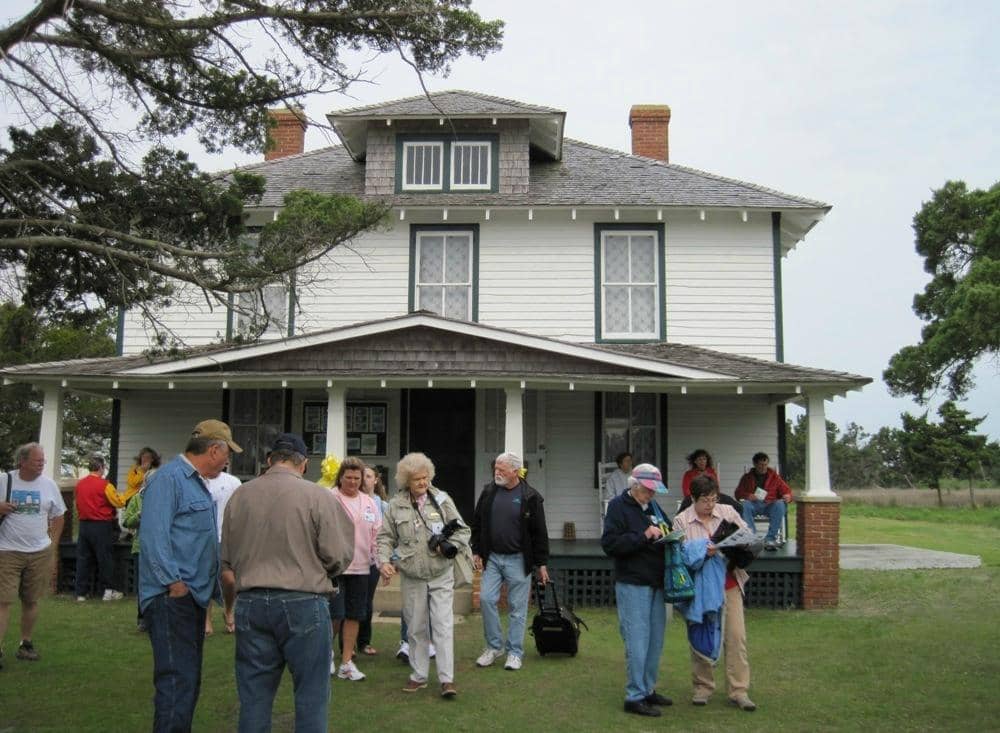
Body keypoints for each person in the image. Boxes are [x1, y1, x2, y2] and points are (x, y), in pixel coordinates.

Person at [220, 433, 354, 733]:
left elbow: (226, 557)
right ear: (304, 464)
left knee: (254, 697)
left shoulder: (240, 495)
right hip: (303, 600)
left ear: (270, 460)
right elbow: (338, 555)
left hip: (251, 600)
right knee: (311, 695)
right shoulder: (318, 496)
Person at [139, 419, 241, 732]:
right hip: (172, 599)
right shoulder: (168, 479)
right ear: (214, 450)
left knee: (187, 680)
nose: (227, 462)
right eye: (227, 454)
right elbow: (153, 537)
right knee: (176, 681)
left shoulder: (196, 482)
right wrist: (174, 584)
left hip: (191, 598)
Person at [377, 452, 470, 699]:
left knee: (442, 625)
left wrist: (449, 546)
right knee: (416, 627)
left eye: (425, 477)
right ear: (406, 480)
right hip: (412, 576)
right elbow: (385, 537)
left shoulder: (442, 499)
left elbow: (463, 531)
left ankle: (447, 679)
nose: (422, 482)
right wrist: (384, 561)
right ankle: (418, 675)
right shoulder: (395, 505)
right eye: (417, 479)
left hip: (441, 573)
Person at [673, 474, 756, 712]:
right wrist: (701, 550)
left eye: (713, 499)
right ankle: (703, 687)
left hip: (729, 583)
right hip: (699, 589)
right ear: (693, 499)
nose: (710, 505)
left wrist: (736, 544)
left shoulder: (728, 512)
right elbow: (679, 556)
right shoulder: (681, 521)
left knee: (736, 637)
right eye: (705, 500)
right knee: (701, 637)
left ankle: (739, 691)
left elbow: (747, 537)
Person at [600, 462, 674, 718]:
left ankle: (648, 689)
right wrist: (643, 536)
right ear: (635, 485)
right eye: (648, 489)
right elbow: (610, 544)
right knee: (637, 640)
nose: (651, 494)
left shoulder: (653, 506)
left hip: (656, 581)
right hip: (633, 583)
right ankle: (634, 696)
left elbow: (666, 529)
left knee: (655, 640)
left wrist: (672, 535)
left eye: (654, 490)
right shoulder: (618, 507)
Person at [471, 452, 550, 672]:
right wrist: (476, 550)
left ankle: (515, 652)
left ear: (515, 471)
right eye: (495, 468)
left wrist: (542, 563)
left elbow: (540, 532)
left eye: (501, 469)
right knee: (486, 599)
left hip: (519, 559)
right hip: (493, 558)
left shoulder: (530, 496)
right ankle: (494, 647)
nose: (496, 472)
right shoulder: (488, 492)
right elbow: (477, 522)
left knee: (517, 608)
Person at [0, 443, 66, 669]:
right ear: (23, 461)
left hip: (39, 553)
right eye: (37, 460)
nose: (42, 464)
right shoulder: (4, 480)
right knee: (3, 600)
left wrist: (52, 545)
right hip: (7, 551)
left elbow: (59, 516)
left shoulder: (49, 485)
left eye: (43, 460)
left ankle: (25, 643)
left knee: (31, 600)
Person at [329, 457, 382, 682]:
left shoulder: (369, 502)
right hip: (335, 568)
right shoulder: (329, 498)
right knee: (336, 615)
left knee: (354, 615)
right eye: (348, 477)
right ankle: (326, 654)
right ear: (340, 477)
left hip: (361, 568)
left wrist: (381, 562)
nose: (352, 482)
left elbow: (377, 535)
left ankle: (346, 662)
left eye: (356, 478)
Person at [73, 454, 124, 602]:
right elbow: (118, 502)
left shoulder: (80, 484)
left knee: (83, 559)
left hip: (84, 525)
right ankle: (108, 591)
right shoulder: (105, 485)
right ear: (101, 467)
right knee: (105, 558)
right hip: (101, 525)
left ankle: (81, 593)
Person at [204, 467, 242, 635]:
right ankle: (206, 619)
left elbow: (240, 510)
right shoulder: (198, 480)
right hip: (204, 538)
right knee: (205, 579)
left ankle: (228, 609)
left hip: (226, 537)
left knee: (230, 580)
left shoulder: (233, 482)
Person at [357, 465, 388, 657]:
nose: (364, 479)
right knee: (352, 601)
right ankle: (346, 644)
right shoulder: (353, 500)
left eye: (369, 476)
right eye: (362, 476)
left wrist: (386, 561)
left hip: (373, 561)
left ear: (376, 480)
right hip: (354, 559)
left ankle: (364, 641)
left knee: (367, 602)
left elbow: (386, 535)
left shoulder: (382, 505)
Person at [734, 452, 793, 550]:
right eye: (761, 465)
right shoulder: (747, 477)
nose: (763, 467)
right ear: (755, 464)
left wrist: (788, 496)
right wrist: (748, 495)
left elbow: (786, 491)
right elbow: (738, 493)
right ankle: (751, 537)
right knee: (745, 504)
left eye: (765, 464)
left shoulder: (774, 477)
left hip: (769, 505)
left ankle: (770, 539)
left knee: (780, 504)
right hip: (753, 505)